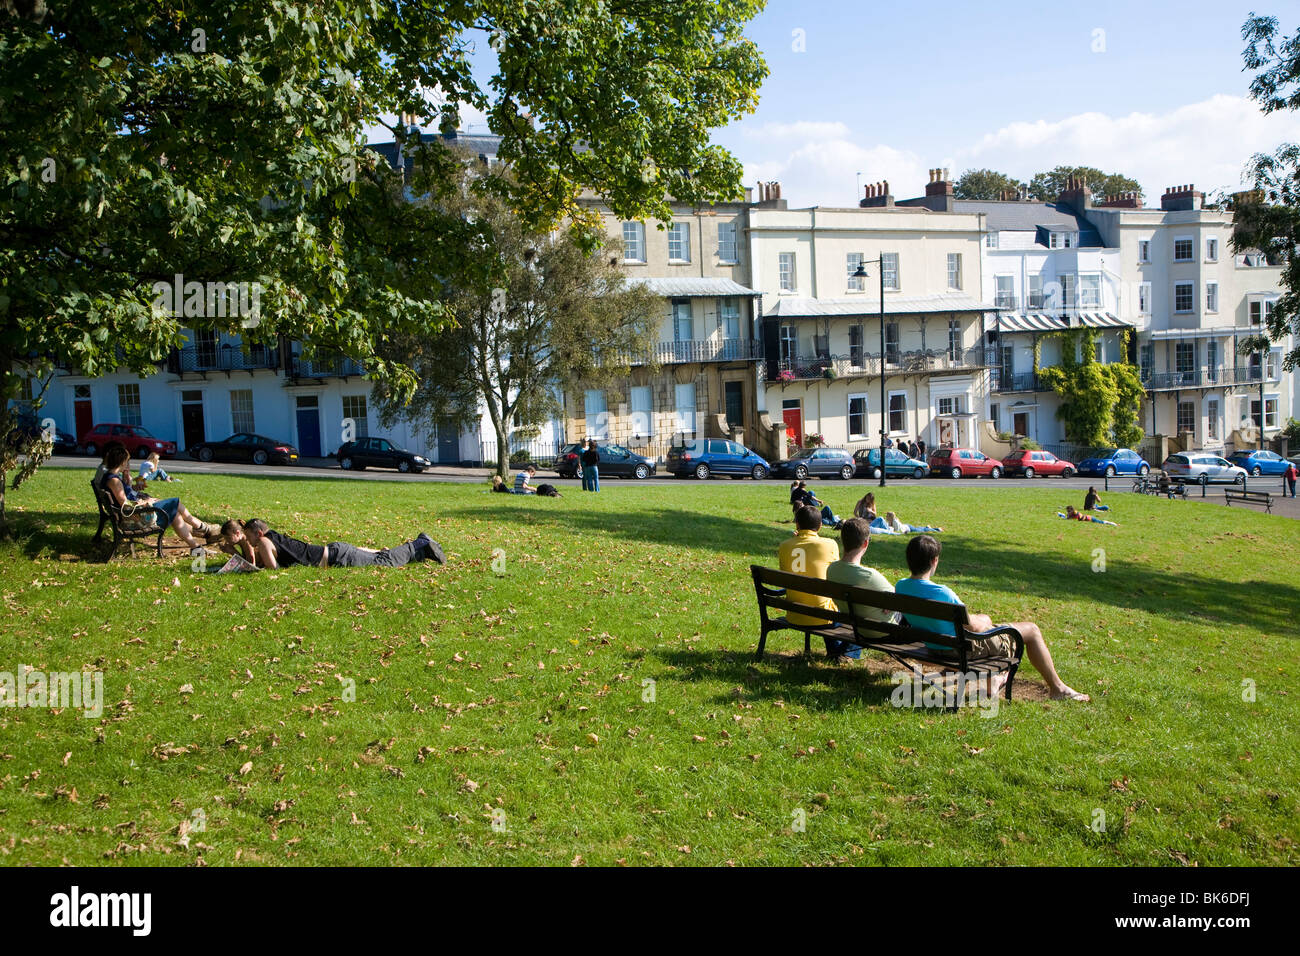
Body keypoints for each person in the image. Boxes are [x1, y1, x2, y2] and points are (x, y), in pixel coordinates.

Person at [895, 535, 1089, 701]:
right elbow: (975, 628)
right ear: (934, 561)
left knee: (992, 628)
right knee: (1031, 630)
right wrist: (986, 619)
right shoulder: (943, 593)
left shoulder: (901, 586)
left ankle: (995, 678)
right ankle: (1058, 688)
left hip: (933, 647)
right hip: (958, 651)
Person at [98, 445, 218, 549]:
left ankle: (196, 545)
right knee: (176, 503)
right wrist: (146, 502)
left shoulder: (112, 477)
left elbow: (124, 497)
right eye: (127, 461)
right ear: (122, 461)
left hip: (135, 515)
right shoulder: (114, 480)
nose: (128, 463)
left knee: (175, 513)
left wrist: (129, 483)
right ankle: (203, 529)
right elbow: (126, 506)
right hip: (136, 519)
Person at [223, 518, 444, 569]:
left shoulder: (263, 541)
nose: (249, 539)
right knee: (378, 557)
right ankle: (423, 552)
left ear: (259, 532)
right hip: (335, 552)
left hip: (337, 556)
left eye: (249, 536)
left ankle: (419, 543)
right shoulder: (270, 539)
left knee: (383, 563)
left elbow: (272, 570)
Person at [823, 517, 899, 663]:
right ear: (865, 543)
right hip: (882, 632)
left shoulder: (831, 569)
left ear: (842, 539)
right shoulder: (869, 576)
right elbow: (899, 600)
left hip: (856, 627)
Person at [777, 505, 841, 639]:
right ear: (820, 525)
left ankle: (835, 652)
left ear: (797, 524)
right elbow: (836, 573)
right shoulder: (829, 544)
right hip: (822, 617)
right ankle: (842, 653)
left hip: (794, 615)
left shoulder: (784, 546)